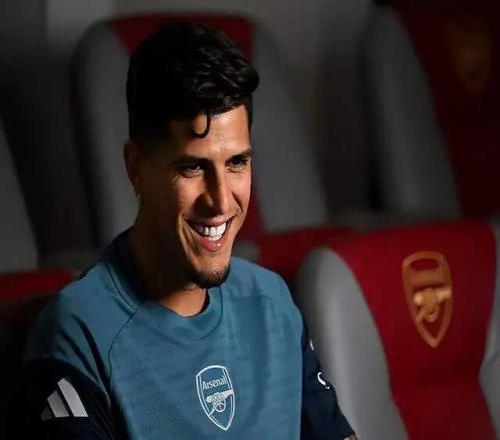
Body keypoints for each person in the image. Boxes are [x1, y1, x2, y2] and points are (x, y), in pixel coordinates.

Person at [21, 22, 355, 439]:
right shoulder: (79, 331)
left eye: (237, 163)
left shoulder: (274, 302)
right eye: (193, 167)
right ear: (136, 168)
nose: (221, 201)